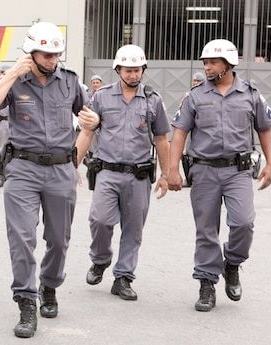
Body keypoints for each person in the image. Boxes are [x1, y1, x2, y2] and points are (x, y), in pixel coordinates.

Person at [0, 21, 96, 338]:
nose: (51, 60)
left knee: (59, 239)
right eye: (45, 54)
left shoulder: (70, 82)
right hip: (23, 169)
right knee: (22, 238)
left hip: (60, 169)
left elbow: (88, 120)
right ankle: (26, 302)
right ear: (30, 53)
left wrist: (90, 127)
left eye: (55, 54)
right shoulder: (15, 81)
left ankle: (49, 284)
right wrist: (13, 73)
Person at [167, 39, 271, 312]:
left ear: (228, 65)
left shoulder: (251, 94)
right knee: (206, 231)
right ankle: (206, 282)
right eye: (205, 62)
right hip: (203, 170)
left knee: (243, 223)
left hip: (238, 171)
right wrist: (171, 169)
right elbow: (179, 133)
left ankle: (233, 263)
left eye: (212, 62)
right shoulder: (194, 97)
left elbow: (264, 129)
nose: (207, 67)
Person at [75, 44, 171, 301]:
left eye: (137, 70)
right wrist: (72, 165)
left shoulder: (153, 100)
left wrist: (165, 174)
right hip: (107, 171)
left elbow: (161, 139)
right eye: (128, 70)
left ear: (143, 70)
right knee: (100, 220)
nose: (133, 75)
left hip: (138, 176)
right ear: (118, 70)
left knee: (133, 229)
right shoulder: (101, 97)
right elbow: (87, 132)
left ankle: (123, 277)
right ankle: (100, 260)